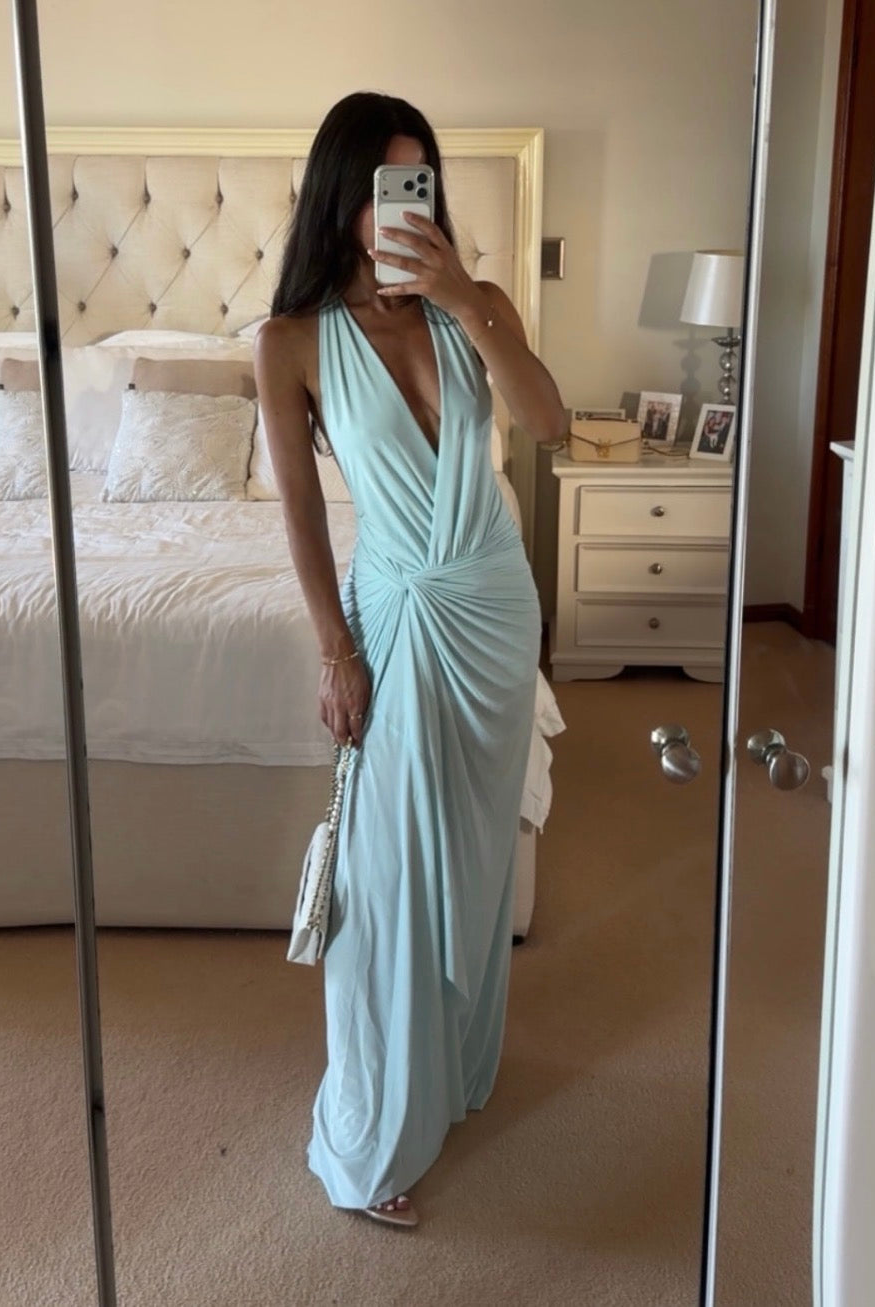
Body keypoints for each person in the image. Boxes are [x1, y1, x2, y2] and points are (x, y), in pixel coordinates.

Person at [254, 91, 567, 1229]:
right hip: (395, 617)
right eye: (387, 182)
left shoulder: (476, 304)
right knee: (385, 884)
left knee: (473, 869)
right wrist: (333, 648)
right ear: (344, 194)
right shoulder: (290, 340)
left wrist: (463, 299)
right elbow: (299, 510)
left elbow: (550, 422)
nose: (404, 203)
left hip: (494, 614)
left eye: (419, 178)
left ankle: (453, 1072)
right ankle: (379, 1126)